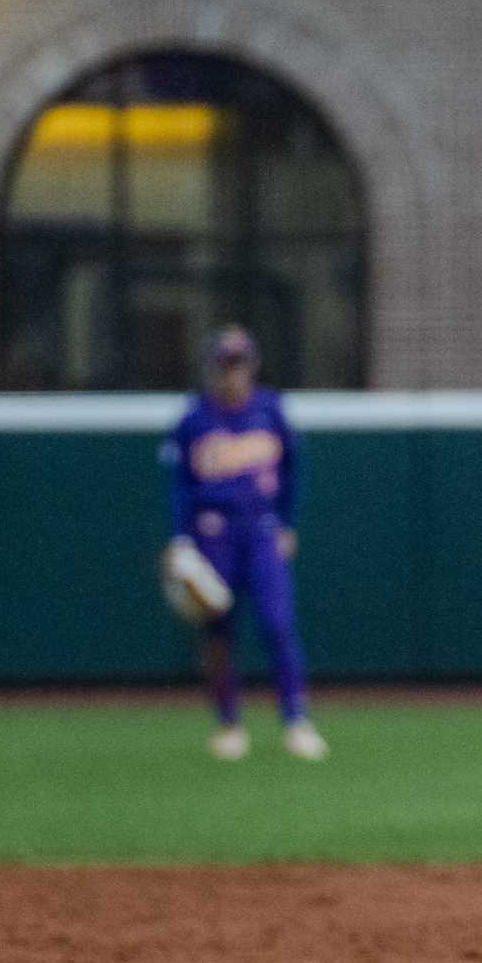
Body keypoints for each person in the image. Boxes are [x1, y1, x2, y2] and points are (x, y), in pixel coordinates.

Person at [160, 325, 327, 762]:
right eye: (224, 364)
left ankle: (296, 720)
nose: (231, 373)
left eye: (238, 363)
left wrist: (288, 523)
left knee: (277, 623)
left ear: (251, 365)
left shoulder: (270, 409)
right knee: (218, 630)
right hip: (213, 532)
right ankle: (229, 723)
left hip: (261, 530)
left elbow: (294, 468)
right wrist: (180, 540)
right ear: (212, 368)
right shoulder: (195, 417)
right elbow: (177, 484)